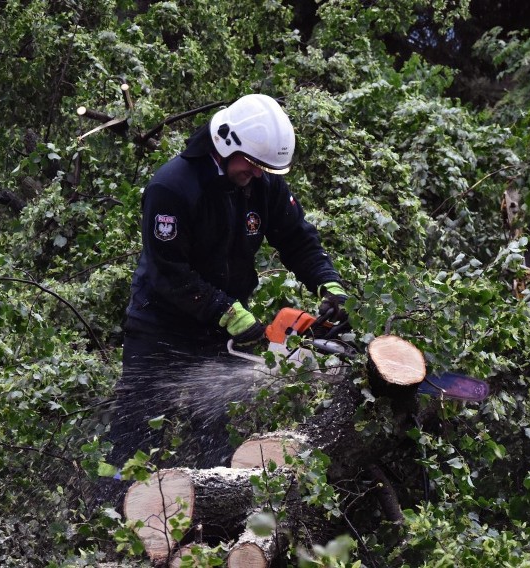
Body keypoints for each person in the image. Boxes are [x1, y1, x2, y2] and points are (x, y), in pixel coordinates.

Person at [104, 94, 349, 477]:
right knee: (137, 430)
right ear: (225, 143)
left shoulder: (261, 183)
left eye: (263, 168)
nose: (256, 174)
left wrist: (328, 283)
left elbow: (297, 238)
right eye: (252, 165)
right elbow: (167, 271)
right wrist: (225, 310)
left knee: (218, 431)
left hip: (218, 330)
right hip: (161, 324)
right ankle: (107, 516)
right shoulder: (173, 187)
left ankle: (213, 518)